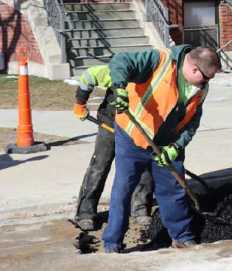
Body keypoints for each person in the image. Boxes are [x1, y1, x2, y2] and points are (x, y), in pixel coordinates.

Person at [101, 45, 222, 253]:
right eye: (207, 78)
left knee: (173, 189)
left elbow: (193, 121)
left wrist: (177, 146)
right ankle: (113, 242)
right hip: (134, 137)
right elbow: (120, 60)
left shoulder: (201, 88)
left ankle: (182, 236)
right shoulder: (160, 60)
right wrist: (120, 87)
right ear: (194, 70)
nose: (208, 83)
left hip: (167, 144)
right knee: (123, 189)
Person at [71, 64, 155, 231]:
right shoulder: (120, 70)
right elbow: (89, 75)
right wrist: (80, 103)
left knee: (144, 169)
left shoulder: (158, 81)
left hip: (138, 130)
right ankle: (86, 212)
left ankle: (139, 208)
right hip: (110, 126)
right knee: (99, 168)